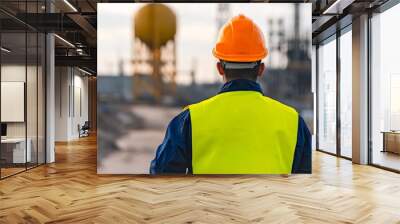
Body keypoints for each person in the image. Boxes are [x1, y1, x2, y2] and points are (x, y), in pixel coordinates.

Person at [150, 14, 311, 174]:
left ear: (219, 68)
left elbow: (161, 178)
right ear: (261, 69)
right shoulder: (294, 122)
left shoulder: (189, 120)